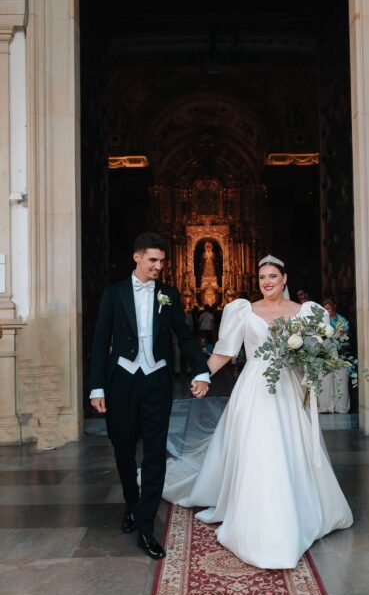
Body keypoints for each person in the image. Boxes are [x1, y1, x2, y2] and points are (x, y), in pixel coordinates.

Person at [163, 254, 353, 569]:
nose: (267, 282)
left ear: (284, 279)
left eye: (273, 277)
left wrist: (311, 364)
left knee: (286, 448)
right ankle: (255, 513)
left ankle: (291, 512)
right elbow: (224, 352)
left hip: (288, 390)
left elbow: (319, 351)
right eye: (262, 277)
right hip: (254, 389)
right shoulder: (244, 311)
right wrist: (202, 376)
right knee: (257, 448)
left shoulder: (305, 313)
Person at [89, 232, 210, 560]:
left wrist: (201, 370)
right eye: (153, 260)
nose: (158, 267)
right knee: (124, 450)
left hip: (157, 381)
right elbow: (101, 343)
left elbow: (184, 337)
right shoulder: (113, 294)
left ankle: (146, 527)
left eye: (162, 261)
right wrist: (96, 387)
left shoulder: (168, 295)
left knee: (155, 453)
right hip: (122, 382)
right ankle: (132, 503)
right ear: (137, 257)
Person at [319, 297, 351, 414]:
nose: (326, 311)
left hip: (340, 355)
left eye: (328, 308)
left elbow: (344, 334)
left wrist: (332, 334)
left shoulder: (341, 320)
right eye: (324, 309)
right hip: (325, 355)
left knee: (341, 377)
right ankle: (325, 407)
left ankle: (341, 408)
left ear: (333, 307)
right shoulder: (320, 321)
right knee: (325, 379)